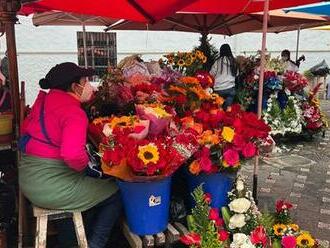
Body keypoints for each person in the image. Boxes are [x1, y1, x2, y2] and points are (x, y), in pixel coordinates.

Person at [18, 62, 121, 248]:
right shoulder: (72, 111)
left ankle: (70, 239)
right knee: (115, 191)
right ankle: (95, 244)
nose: (90, 85)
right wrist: (92, 171)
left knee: (85, 185)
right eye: (86, 81)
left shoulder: (44, 102)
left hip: (29, 180)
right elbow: (72, 155)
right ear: (75, 87)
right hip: (51, 188)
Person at [210, 44, 238, 110]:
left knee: (219, 110)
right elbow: (236, 74)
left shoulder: (217, 62)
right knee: (228, 110)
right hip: (230, 88)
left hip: (218, 89)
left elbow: (211, 74)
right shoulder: (233, 61)